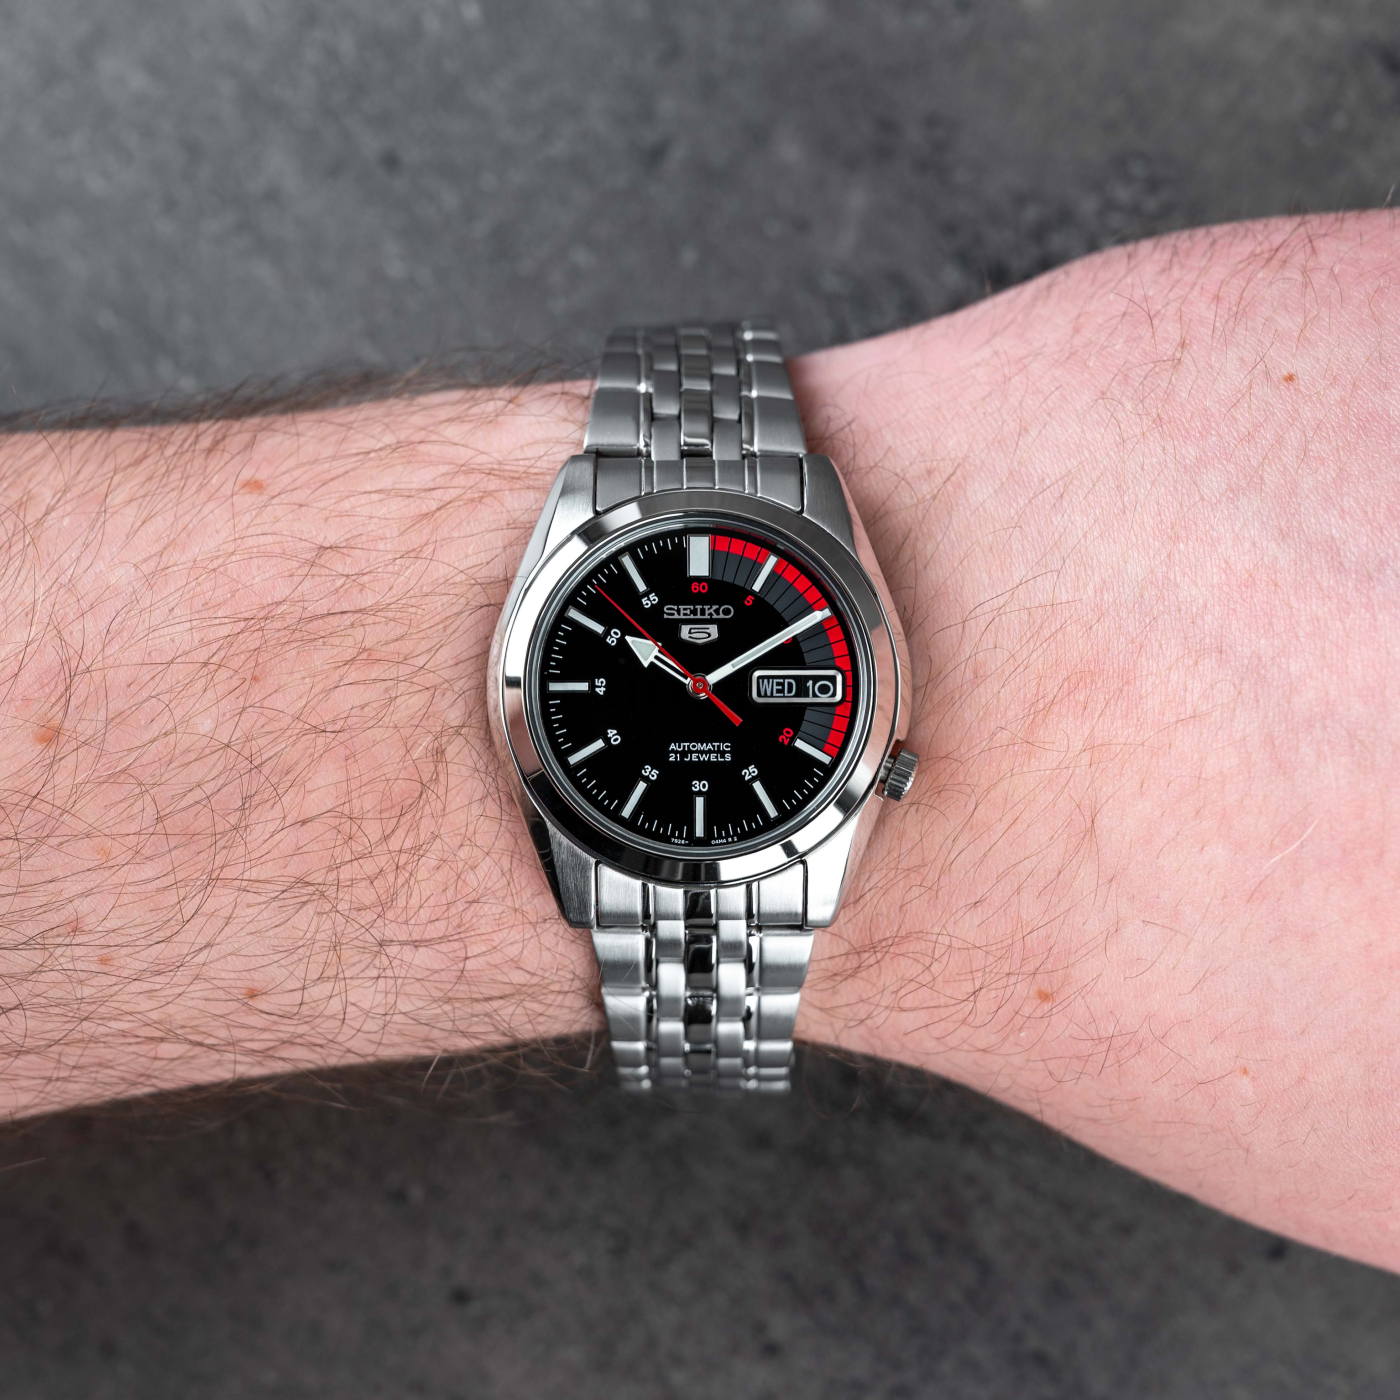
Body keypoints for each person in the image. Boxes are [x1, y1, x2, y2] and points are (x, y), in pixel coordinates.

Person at [2, 213, 1396, 1273]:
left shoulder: (741, 684)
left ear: (881, 735)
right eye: (671, 668)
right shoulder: (593, 679)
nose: (702, 690)